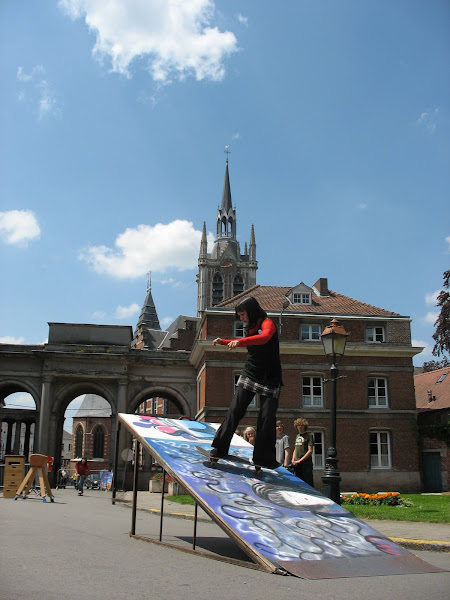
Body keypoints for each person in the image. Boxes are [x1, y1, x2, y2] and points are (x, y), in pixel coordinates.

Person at [210, 296, 282, 469]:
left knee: (266, 418)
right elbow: (242, 343)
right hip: (251, 372)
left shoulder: (267, 323)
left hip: (271, 377)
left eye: (243, 315)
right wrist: (224, 342)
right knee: (235, 409)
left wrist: (238, 341)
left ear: (251, 311)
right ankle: (219, 448)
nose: (241, 318)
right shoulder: (249, 327)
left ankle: (263, 458)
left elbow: (264, 338)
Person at [292, 418, 314, 487]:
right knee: (299, 483)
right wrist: (293, 460)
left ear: (305, 426)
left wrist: (300, 460)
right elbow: (295, 449)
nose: (300, 427)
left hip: (306, 463)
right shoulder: (297, 436)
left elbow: (310, 450)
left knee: (308, 483)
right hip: (297, 464)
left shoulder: (309, 435)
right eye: (298, 425)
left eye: (302, 425)